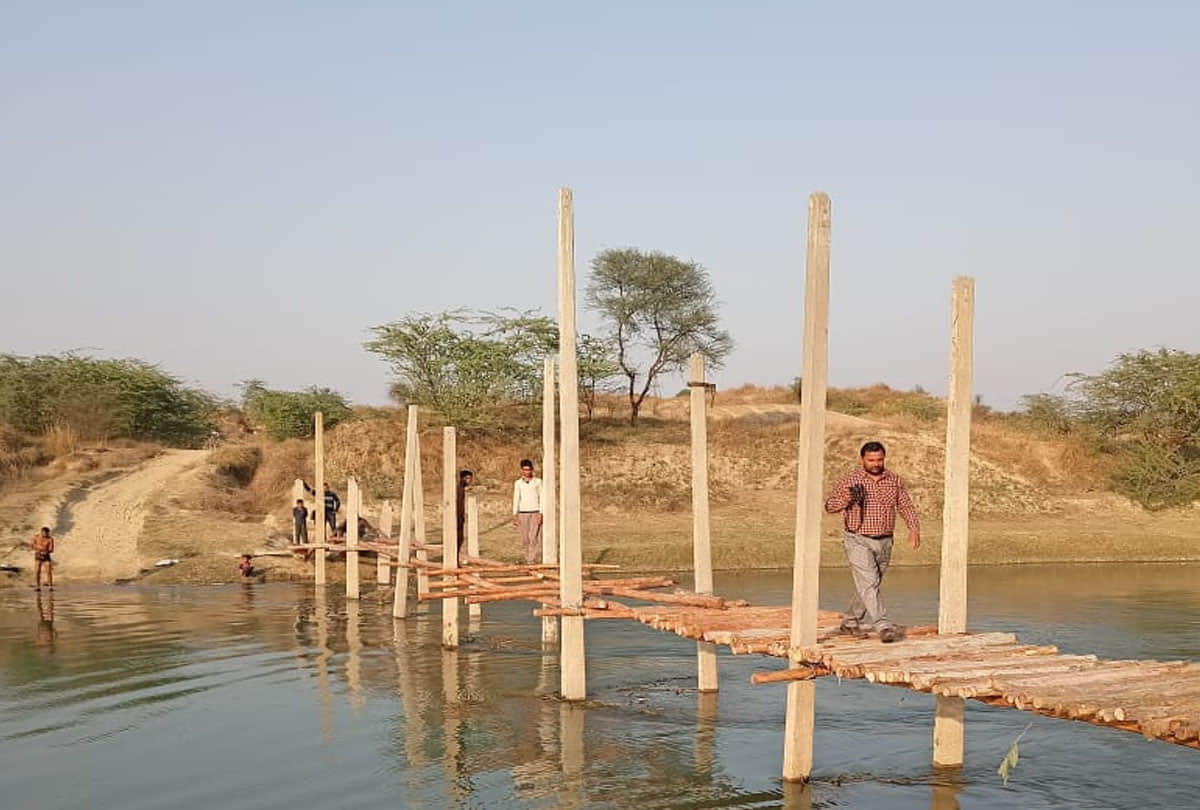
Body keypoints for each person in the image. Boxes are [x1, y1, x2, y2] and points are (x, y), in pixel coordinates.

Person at [824, 441, 920, 643]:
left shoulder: (893, 480)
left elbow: (905, 505)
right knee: (869, 582)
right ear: (862, 460)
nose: (876, 463)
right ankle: (883, 626)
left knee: (870, 584)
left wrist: (914, 529)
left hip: (885, 540)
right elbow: (830, 506)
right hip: (858, 539)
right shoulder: (851, 480)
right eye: (871, 460)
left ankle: (850, 621)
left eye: (879, 459)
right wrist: (847, 498)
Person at [511, 459, 544, 564]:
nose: (527, 472)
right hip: (523, 512)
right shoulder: (518, 483)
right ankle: (526, 557)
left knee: (533, 536)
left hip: (535, 511)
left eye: (528, 470)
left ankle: (531, 559)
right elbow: (516, 498)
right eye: (524, 470)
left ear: (532, 470)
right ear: (521, 470)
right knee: (525, 538)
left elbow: (542, 497)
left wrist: (541, 512)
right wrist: (514, 514)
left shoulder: (538, 482)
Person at [456, 469, 474, 553]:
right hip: (457, 517)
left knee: (460, 539)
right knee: (458, 539)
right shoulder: (458, 489)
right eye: (467, 478)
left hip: (460, 517)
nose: (469, 481)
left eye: (470, 478)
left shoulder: (462, 489)